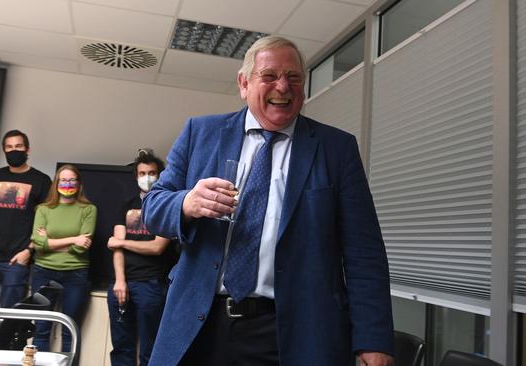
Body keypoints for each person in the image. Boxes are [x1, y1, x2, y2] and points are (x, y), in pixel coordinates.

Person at [142, 36, 394, 366]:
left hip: (292, 333)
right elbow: (153, 208)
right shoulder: (200, 133)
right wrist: (186, 203)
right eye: (269, 76)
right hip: (199, 327)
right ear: (244, 84)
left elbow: (364, 252)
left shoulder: (336, 149)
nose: (283, 87)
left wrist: (373, 339)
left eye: (293, 77)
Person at [107, 150, 174, 366]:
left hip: (152, 285)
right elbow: (116, 249)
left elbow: (157, 247)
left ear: (160, 175)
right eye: (143, 173)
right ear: (136, 177)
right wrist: (119, 281)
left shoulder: (167, 205)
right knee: (121, 347)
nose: (147, 177)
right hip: (122, 285)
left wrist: (123, 242)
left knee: (150, 348)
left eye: (152, 172)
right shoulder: (126, 205)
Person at [0, 130, 51, 307]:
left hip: (16, 258)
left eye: (18, 146)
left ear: (27, 150)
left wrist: (29, 251)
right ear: (4, 150)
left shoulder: (41, 180)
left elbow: (45, 220)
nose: (13, 150)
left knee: (10, 314)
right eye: (9, 147)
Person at [30, 164, 97, 353]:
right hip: (44, 272)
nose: (68, 184)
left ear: (79, 183)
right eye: (63, 180)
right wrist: (74, 239)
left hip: (75, 275)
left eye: (72, 180)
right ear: (56, 183)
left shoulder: (88, 209)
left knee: (70, 330)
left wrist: (50, 241)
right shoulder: (43, 209)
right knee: (41, 329)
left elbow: (80, 250)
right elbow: (37, 244)